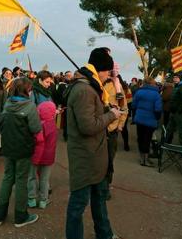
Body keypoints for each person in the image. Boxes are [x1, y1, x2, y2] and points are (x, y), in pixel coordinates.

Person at [64, 47, 120, 239]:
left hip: (96, 156)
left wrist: (106, 110)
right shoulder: (84, 90)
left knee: (99, 199)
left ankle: (104, 234)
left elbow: (93, 116)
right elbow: (88, 126)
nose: (108, 77)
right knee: (78, 206)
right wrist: (111, 115)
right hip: (85, 157)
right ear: (100, 70)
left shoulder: (91, 87)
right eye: (108, 72)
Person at [0, 77, 41, 228]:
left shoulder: (7, 104)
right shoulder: (29, 106)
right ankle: (20, 216)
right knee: (21, 180)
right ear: (27, 90)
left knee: (8, 178)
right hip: (23, 148)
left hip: (8, 147)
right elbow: (36, 128)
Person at [27, 100, 58, 209]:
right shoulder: (53, 125)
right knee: (44, 179)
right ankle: (43, 200)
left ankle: (31, 198)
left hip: (35, 156)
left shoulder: (37, 125)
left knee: (31, 176)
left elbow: (37, 141)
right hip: (48, 157)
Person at [103, 64, 128, 198]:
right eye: (112, 69)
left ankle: (106, 187)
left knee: (109, 160)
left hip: (112, 130)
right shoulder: (99, 85)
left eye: (116, 70)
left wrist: (120, 126)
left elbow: (124, 109)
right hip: (98, 128)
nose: (114, 71)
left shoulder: (120, 88)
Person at [132, 77, 163, 167]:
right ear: (153, 83)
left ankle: (142, 159)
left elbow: (134, 105)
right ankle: (146, 160)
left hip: (139, 119)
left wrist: (136, 114)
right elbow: (158, 109)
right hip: (150, 120)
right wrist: (157, 118)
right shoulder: (156, 94)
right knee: (147, 139)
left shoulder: (139, 92)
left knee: (140, 138)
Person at [167, 72, 182, 146]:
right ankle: (167, 144)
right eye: (174, 77)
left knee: (181, 132)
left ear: (180, 78)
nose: (174, 79)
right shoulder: (177, 86)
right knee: (169, 129)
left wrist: (179, 110)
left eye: (176, 77)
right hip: (173, 112)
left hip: (179, 113)